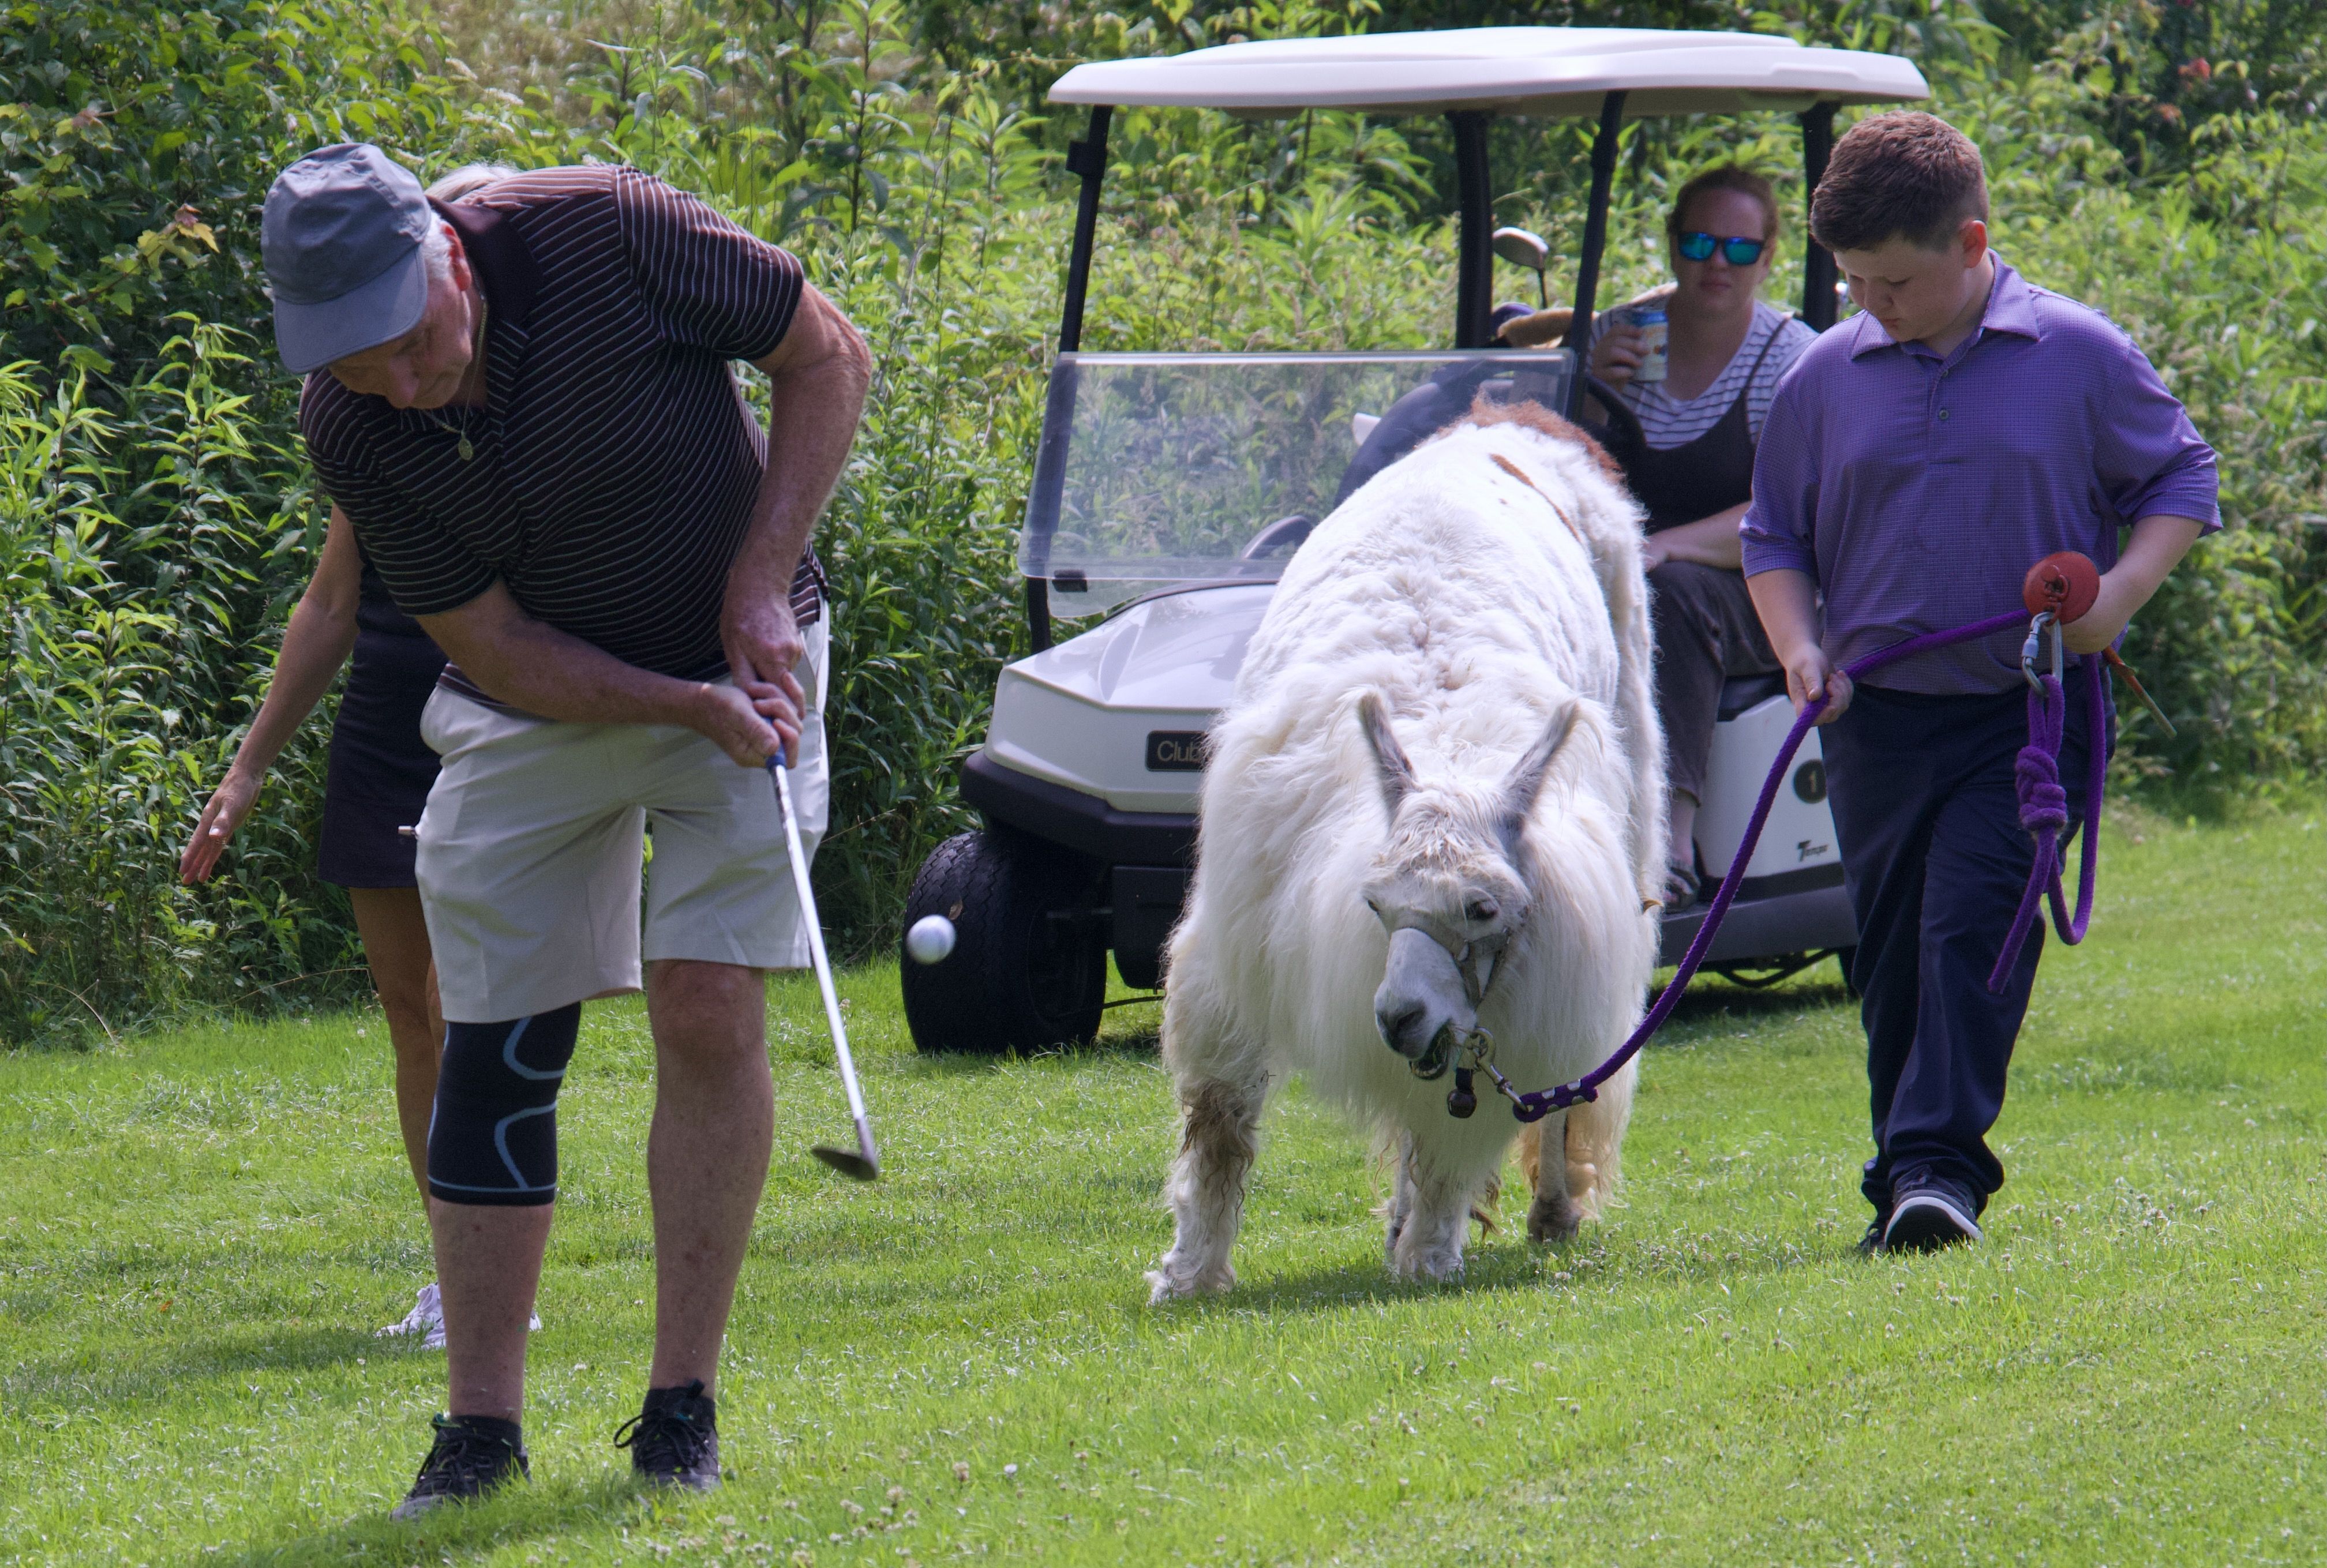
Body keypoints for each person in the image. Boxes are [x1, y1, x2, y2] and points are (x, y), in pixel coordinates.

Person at [260, 143, 870, 1516]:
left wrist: (763, 581)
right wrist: (680, 705)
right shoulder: (350, 428)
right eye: (363, 366)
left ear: (447, 256)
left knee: (708, 1007)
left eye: (413, 343)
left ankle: (679, 1410)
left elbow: (829, 354)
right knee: (499, 1031)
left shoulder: (613, 233)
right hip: (540, 705)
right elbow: (500, 646)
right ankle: (480, 1432)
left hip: (750, 648)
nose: (406, 385)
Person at [1740, 113, 2216, 1255]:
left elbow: (2181, 477)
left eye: (1893, 281)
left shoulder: (2079, 356)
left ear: (1971, 241)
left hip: (2030, 714)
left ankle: (1938, 1177)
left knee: (1970, 934)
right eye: (1853, 283)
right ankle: (1912, 1173)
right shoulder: (1820, 376)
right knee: (1896, 957)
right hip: (1875, 724)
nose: (1872, 305)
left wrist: (2118, 593)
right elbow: (1774, 541)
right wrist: (1801, 651)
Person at [181, 165, 536, 1356]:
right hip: (391, 699)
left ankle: (500, 1273)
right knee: (409, 1013)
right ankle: (453, 1273)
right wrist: (246, 771)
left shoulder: (519, 391)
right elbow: (330, 605)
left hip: (494, 688)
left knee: (463, 997)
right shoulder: (370, 421)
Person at [1589, 166, 1819, 907]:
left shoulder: (1788, 358)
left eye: (1738, 249)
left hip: (1767, 594)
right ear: (1671, 247)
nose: (1716, 263)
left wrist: (1667, 546)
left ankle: (1670, 844)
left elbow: (1789, 510)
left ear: (1768, 256)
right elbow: (1568, 461)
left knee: (1673, 594)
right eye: (1697, 243)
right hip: (1628, 575)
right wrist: (1589, 388)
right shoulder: (1622, 335)